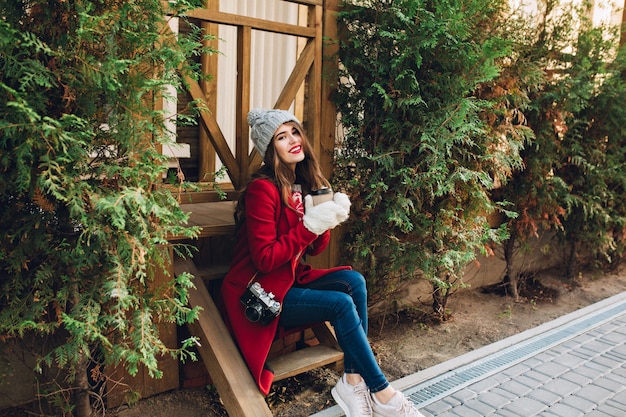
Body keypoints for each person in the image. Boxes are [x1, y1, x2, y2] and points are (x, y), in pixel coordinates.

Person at [220, 108, 424, 417]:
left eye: (295, 131)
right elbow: (265, 258)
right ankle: (384, 394)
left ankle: (353, 381)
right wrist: (308, 226)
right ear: (269, 148)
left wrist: (325, 218)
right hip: (261, 291)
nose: (292, 140)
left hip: (288, 279)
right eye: (281, 136)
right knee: (341, 304)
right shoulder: (263, 189)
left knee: (354, 282)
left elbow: (313, 249)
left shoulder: (300, 184)